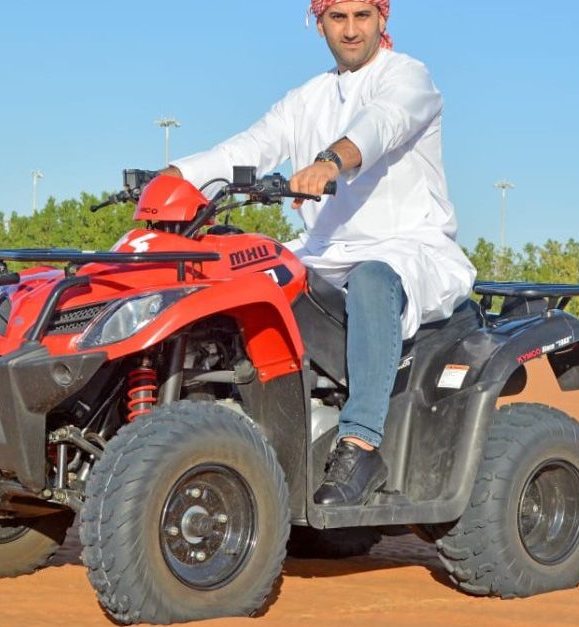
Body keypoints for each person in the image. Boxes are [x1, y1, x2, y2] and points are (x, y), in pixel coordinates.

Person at [162, 0, 476, 506]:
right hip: (323, 251)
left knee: (373, 278)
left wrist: (330, 161)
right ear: (319, 24)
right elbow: (249, 147)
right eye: (338, 18)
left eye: (362, 16)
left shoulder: (408, 77)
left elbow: (382, 124)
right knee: (233, 269)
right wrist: (177, 176)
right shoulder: (306, 99)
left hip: (408, 246)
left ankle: (361, 444)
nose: (351, 30)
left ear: (382, 19)